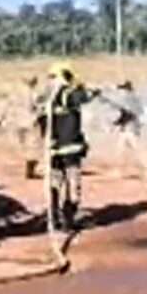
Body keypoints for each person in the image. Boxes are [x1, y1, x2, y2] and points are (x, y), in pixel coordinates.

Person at [36, 62, 99, 231]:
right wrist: (90, 90)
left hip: (53, 149)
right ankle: (68, 220)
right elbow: (83, 97)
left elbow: (41, 123)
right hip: (70, 149)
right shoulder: (66, 94)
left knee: (55, 183)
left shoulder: (45, 98)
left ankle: (54, 216)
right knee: (73, 185)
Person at [0, 75, 42, 179]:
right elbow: (38, 107)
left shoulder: (15, 93)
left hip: (17, 122)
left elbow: (7, 106)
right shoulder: (33, 93)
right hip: (30, 121)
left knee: (24, 146)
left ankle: (26, 168)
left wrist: (1, 119)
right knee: (34, 147)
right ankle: (30, 170)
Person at [109, 80, 147, 181]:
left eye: (122, 89)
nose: (121, 91)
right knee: (120, 150)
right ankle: (119, 171)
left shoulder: (129, 99)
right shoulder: (132, 98)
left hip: (130, 129)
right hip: (127, 129)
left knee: (138, 151)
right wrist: (118, 122)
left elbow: (128, 114)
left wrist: (117, 122)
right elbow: (126, 113)